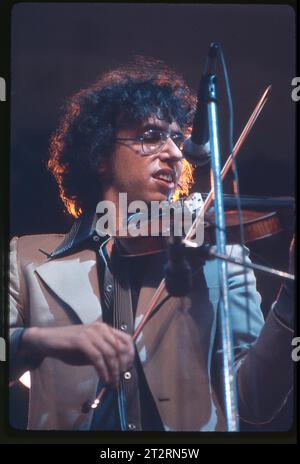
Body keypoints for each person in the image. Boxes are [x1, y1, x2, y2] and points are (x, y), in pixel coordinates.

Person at [9, 57, 294, 431]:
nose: (176, 153)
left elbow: (253, 400)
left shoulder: (217, 253)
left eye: (177, 138)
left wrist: (291, 301)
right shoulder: (27, 259)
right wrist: (46, 341)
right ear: (99, 154)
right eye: (150, 136)